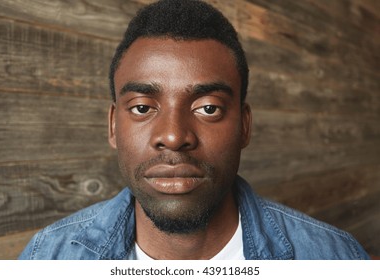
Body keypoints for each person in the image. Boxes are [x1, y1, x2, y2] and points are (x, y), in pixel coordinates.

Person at [19, 0, 369, 260]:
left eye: (209, 108)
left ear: (244, 126)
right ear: (113, 126)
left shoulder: (334, 257)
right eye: (142, 108)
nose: (173, 136)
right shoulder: (48, 257)